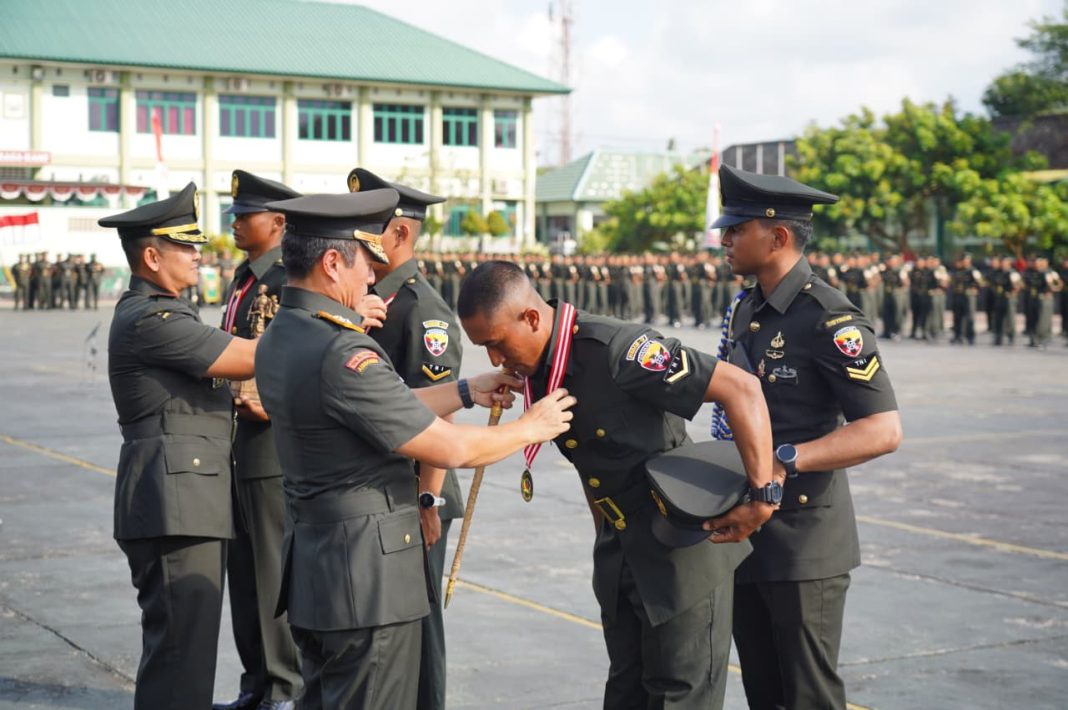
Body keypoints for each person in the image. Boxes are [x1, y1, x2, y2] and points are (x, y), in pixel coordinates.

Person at [255, 189, 575, 710]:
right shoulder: (340, 349)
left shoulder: (283, 335)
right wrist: (530, 428)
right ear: (333, 263)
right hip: (367, 585)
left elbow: (381, 403)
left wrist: (468, 389)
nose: (369, 278)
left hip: (318, 572)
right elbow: (448, 447)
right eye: (364, 264)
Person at [458, 259, 778, 709]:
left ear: (531, 318)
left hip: (678, 550)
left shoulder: (619, 350)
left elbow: (741, 389)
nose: (495, 359)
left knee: (679, 697)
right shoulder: (551, 366)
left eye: (496, 344)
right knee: (626, 692)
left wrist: (763, 495)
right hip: (621, 551)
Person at [712, 164, 902, 710]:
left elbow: (882, 429)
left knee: (807, 697)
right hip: (746, 527)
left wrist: (785, 459)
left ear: (777, 236)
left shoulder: (828, 319)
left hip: (802, 544)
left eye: (735, 228)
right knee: (764, 694)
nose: (724, 239)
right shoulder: (749, 308)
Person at [100, 182, 259, 710]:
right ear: (151, 255)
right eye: (185, 246)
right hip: (175, 507)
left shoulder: (167, 313)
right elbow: (247, 356)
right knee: (179, 659)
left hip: (185, 502)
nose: (199, 255)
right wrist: (333, 317)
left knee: (185, 655)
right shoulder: (153, 318)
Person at [347, 167, 459, 710]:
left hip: (418, 494)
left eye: (366, 231)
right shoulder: (368, 301)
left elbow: (441, 417)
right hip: (383, 490)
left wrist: (427, 498)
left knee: (418, 625)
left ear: (399, 235)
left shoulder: (421, 309)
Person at [212, 171, 303, 710]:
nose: (236, 223)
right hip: (237, 444)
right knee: (244, 577)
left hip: (271, 448)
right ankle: (256, 684)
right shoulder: (243, 279)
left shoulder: (289, 280)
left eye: (245, 215)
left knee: (272, 576)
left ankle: (285, 689)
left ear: (278, 221)